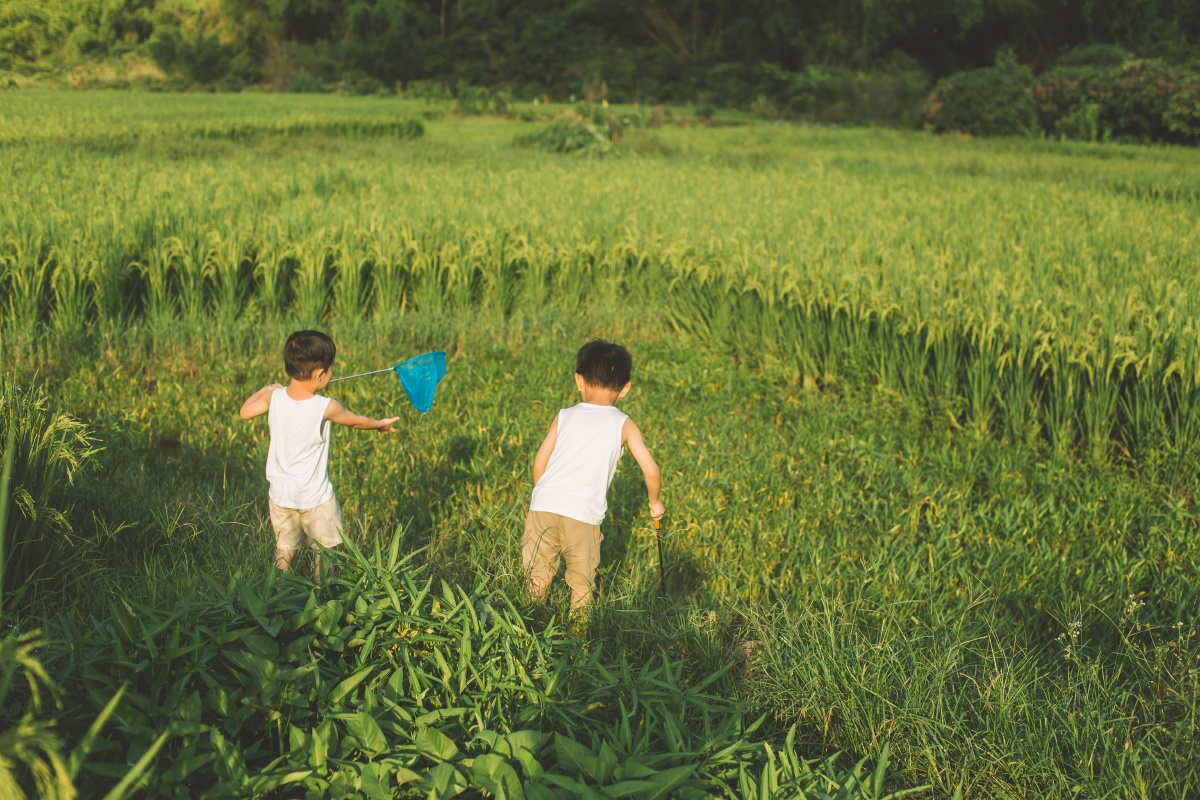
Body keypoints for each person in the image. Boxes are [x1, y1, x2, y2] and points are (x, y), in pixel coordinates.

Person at [239, 330, 399, 581]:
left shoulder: (274, 397)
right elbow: (357, 422)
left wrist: (268, 388)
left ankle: (272, 595)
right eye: (331, 369)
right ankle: (321, 596)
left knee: (284, 550)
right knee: (325, 552)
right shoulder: (327, 406)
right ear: (320, 374)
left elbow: (245, 412)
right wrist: (381, 424)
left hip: (281, 496)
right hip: (316, 499)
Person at [524, 339, 665, 614]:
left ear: (579, 380)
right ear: (625, 388)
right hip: (582, 514)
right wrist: (655, 502)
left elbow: (539, 463)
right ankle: (577, 640)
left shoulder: (563, 416)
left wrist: (546, 494)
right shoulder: (624, 424)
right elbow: (651, 470)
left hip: (543, 506)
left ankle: (527, 627)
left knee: (537, 577)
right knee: (581, 584)